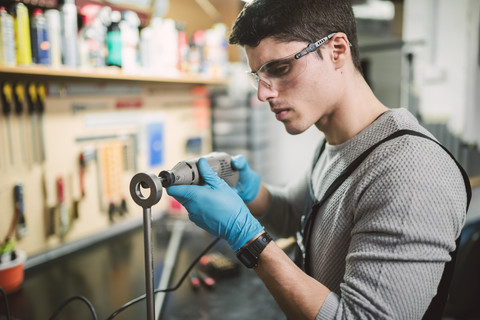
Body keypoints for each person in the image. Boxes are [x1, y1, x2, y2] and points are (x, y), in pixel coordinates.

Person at [167, 0, 470, 319]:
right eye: (258, 75)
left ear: (337, 50)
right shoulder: (337, 143)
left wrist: (247, 239)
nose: (263, 93)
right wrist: (250, 191)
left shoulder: (411, 171)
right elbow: (298, 218)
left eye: (280, 68)